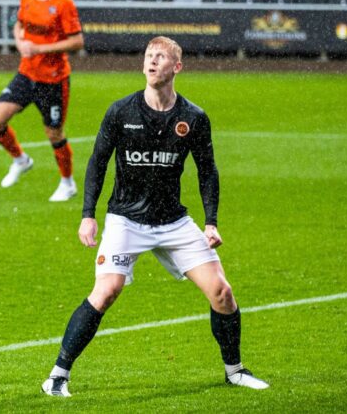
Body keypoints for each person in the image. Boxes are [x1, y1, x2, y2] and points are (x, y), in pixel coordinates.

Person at [41, 36, 269, 398]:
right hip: (125, 220)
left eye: (160, 57)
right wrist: (88, 215)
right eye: (148, 56)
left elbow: (207, 171)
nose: (151, 61)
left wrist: (211, 222)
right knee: (106, 290)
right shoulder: (121, 111)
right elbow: (97, 162)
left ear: (176, 67)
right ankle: (57, 376)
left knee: (222, 292)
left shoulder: (193, 117)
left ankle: (235, 370)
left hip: (174, 223)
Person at [0, 0, 85, 202]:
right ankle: (21, 160)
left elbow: (77, 42)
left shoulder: (63, 3)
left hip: (53, 79)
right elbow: (19, 25)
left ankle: (67, 183)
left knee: (54, 133)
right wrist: (20, 43)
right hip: (26, 73)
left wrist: (40, 49)